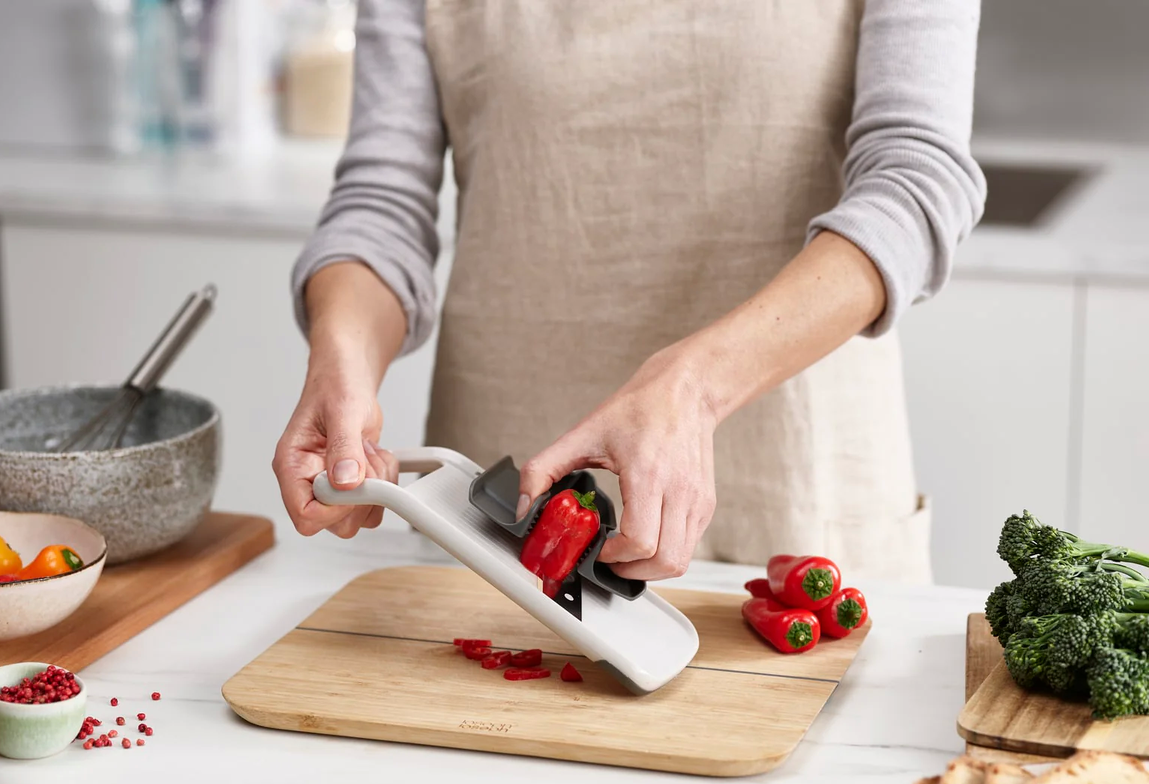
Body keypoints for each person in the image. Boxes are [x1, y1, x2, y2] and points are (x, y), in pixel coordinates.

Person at [274, 0, 986, 586]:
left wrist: (695, 388)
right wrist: (341, 359)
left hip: (800, 503)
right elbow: (381, 200)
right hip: (501, 527)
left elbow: (914, 184)